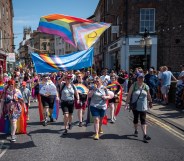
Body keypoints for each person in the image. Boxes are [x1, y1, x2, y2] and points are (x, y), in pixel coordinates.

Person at [125, 73, 153, 142]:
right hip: (135, 106)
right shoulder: (134, 85)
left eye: (142, 78)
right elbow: (129, 95)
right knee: (135, 119)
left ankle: (144, 135)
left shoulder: (146, 86)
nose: (141, 79)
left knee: (143, 120)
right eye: (139, 78)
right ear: (137, 78)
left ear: (143, 79)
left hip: (143, 106)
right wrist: (127, 103)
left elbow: (148, 95)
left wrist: (150, 102)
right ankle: (136, 130)